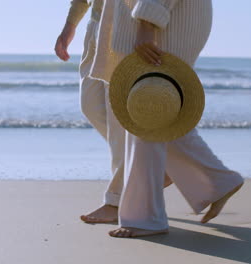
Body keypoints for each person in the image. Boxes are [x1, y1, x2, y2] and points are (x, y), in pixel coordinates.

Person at [80, 0, 245, 238]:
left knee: (149, 109)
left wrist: (148, 24)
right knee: (150, 111)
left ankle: (146, 218)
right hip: (153, 16)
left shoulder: (150, 23)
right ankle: (217, 181)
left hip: (162, 19)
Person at [55, 0, 173, 224]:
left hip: (128, 28)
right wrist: (69, 28)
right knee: (90, 106)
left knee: (119, 120)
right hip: (96, 30)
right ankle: (155, 166)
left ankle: (116, 201)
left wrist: (147, 27)